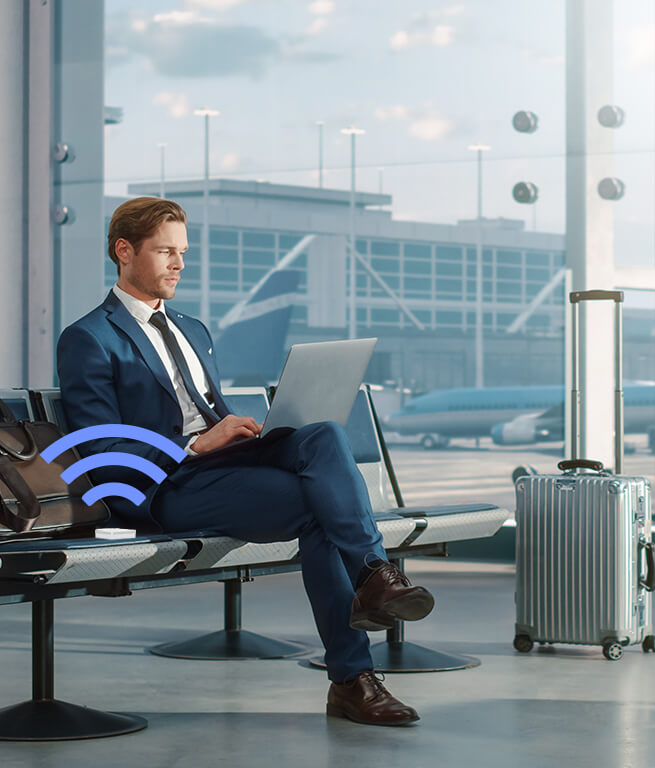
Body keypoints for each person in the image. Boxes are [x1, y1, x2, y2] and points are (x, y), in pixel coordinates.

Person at [56, 196, 431, 726]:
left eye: (183, 252)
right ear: (124, 251)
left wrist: (245, 431)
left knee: (321, 433)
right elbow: (101, 449)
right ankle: (354, 669)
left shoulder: (193, 330)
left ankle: (372, 583)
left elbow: (212, 412)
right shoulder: (89, 339)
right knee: (320, 508)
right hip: (167, 487)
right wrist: (193, 446)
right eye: (166, 252)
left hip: (220, 464)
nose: (179, 264)